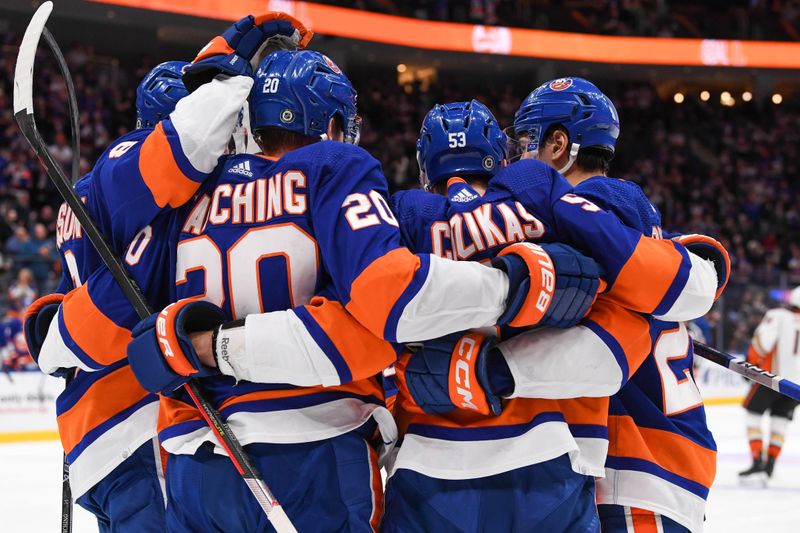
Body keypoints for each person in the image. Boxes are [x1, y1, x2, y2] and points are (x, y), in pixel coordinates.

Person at [378, 99, 724, 531]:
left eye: (528, 142)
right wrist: (704, 261)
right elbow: (661, 288)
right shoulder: (542, 194)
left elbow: (368, 310)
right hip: (554, 458)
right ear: (499, 159)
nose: (525, 153)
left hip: (426, 466)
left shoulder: (400, 214)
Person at [509, 77, 725, 532]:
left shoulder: (589, 205)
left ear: (558, 144)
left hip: (638, 463)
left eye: (528, 141)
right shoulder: (621, 215)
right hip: (656, 461)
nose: (518, 156)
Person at [739, 286, 800, 483]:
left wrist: (749, 365)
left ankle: (758, 461)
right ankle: (770, 464)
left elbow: (761, 343)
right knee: (780, 422)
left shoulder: (778, 314)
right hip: (797, 385)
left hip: (772, 379)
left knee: (753, 416)